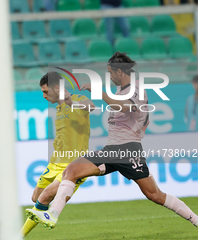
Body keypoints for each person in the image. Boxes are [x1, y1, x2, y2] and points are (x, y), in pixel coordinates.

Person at [26, 52, 198, 231]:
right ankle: (52, 213)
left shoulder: (137, 88)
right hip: (111, 150)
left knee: (155, 195)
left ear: (119, 71)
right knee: (72, 169)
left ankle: (195, 219)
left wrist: (100, 93)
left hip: (128, 150)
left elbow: (124, 106)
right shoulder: (120, 91)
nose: (110, 76)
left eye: (110, 73)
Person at [21, 71, 95, 237]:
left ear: (56, 88)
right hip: (55, 163)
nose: (44, 96)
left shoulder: (77, 100)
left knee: (46, 196)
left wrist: (71, 103)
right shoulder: (58, 108)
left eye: (45, 92)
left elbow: (91, 106)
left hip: (74, 166)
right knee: (36, 197)